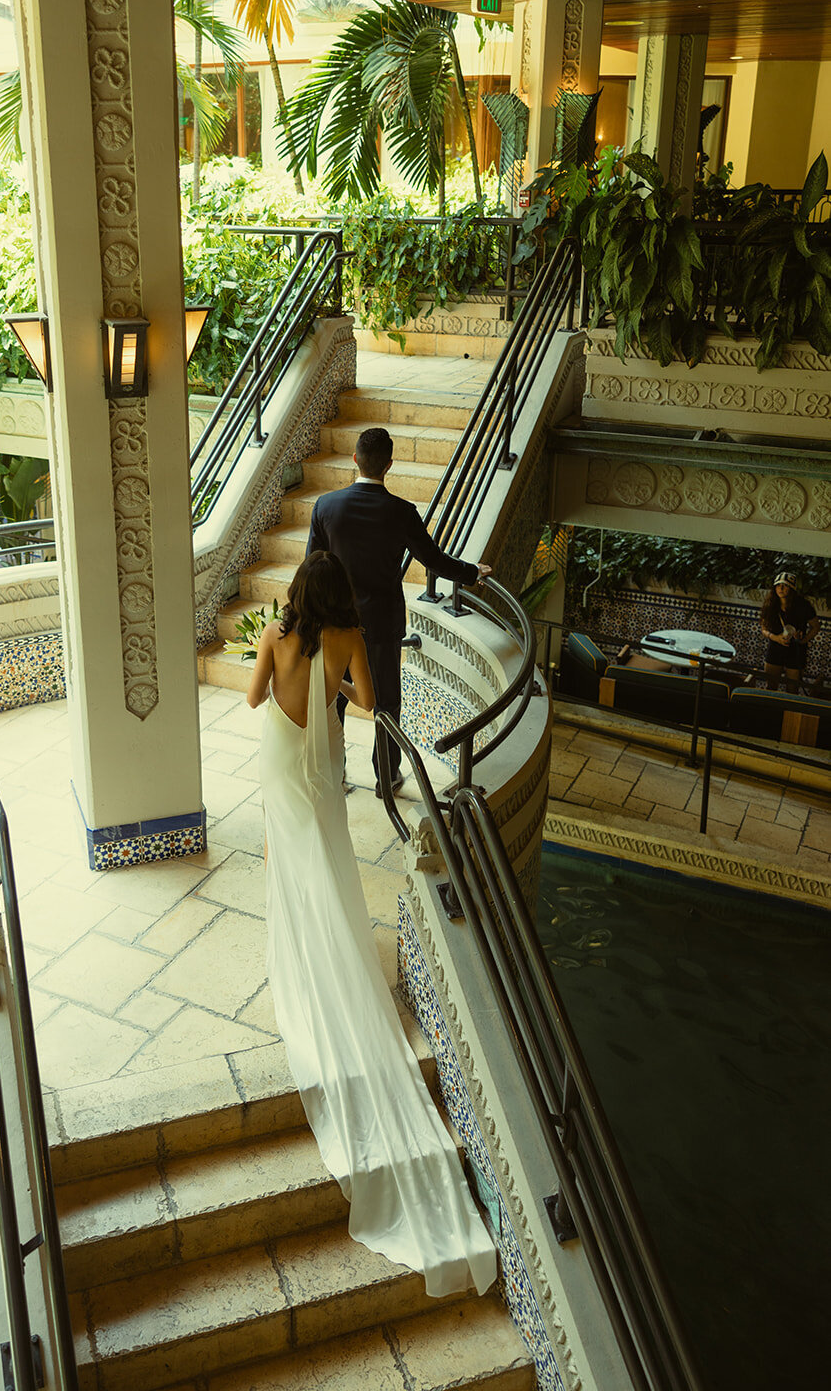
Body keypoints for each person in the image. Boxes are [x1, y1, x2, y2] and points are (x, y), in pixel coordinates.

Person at [246, 551, 496, 1298]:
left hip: (278, 762)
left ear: (294, 595)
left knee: (288, 854)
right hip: (322, 771)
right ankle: (331, 951)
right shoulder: (348, 637)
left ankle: (298, 950)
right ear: (339, 596)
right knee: (326, 853)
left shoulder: (272, 635)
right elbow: (364, 705)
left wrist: (278, 657)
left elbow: (254, 702)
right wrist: (339, 677)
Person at [306, 426, 491, 795]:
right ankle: (386, 778)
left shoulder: (325, 506)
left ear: (355, 458)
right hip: (381, 623)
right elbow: (435, 561)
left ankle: (332, 773)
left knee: (333, 697)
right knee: (386, 703)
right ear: (388, 465)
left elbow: (311, 566)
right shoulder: (402, 512)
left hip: (334, 623)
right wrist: (472, 573)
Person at [760, 571, 820, 693]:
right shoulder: (771, 604)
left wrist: (803, 640)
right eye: (778, 585)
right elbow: (764, 629)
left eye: (785, 585)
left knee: (792, 689)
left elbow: (816, 627)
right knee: (771, 686)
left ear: (792, 589)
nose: (781, 588)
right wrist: (775, 637)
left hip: (796, 650)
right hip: (775, 648)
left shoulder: (803, 606)